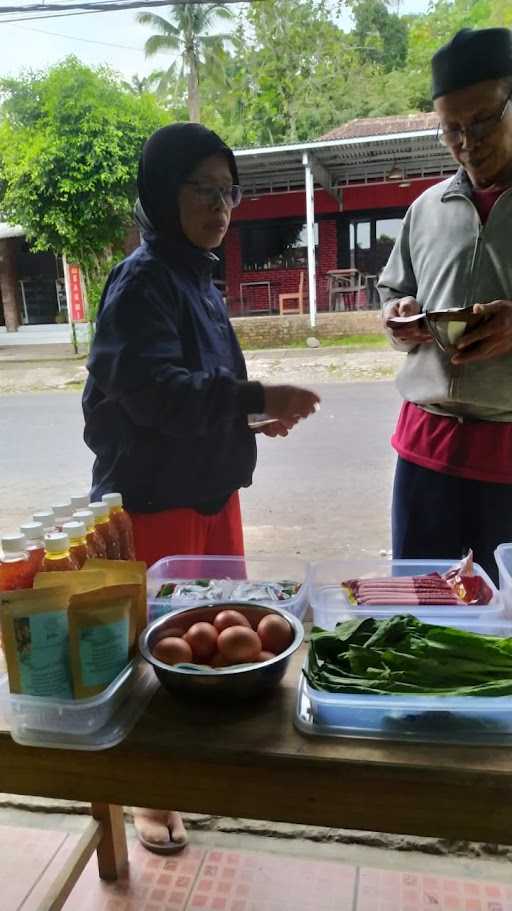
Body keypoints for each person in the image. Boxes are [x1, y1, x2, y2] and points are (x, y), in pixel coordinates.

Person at [82, 122, 319, 854]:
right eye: (202, 190)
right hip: (157, 503)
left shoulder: (197, 274)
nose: (220, 206)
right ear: (162, 193)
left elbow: (202, 391)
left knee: (218, 643)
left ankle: (197, 771)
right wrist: (253, 397)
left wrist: (249, 418)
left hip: (212, 492)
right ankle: (152, 795)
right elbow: (155, 394)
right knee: (157, 654)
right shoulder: (143, 279)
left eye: (229, 191)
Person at [379, 27, 512, 584]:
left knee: (501, 632)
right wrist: (395, 316)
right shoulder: (426, 209)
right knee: (419, 608)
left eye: (482, 121)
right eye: (451, 128)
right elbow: (391, 289)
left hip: (506, 458)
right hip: (424, 452)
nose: (467, 141)